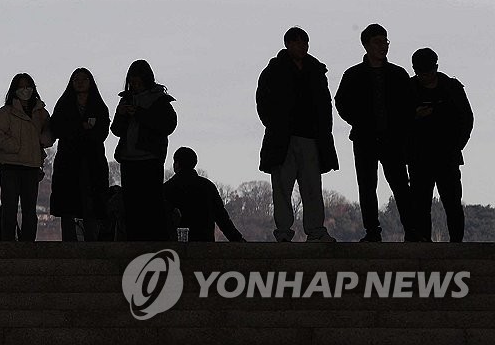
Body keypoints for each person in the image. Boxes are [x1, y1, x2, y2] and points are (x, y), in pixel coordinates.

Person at [256, 26, 339, 243]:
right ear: (288, 44)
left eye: (305, 43)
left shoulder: (313, 71)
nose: (303, 46)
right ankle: (287, 230)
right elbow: (263, 103)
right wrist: (276, 125)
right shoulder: (276, 71)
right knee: (284, 187)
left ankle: (313, 229)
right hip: (285, 137)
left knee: (310, 187)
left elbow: (325, 105)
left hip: (307, 137)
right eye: (299, 42)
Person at [335, 23, 415, 241]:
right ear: (366, 45)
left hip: (392, 140)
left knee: (400, 186)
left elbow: (408, 106)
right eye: (378, 42)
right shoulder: (353, 75)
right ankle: (372, 231)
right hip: (365, 139)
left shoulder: (398, 74)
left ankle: (412, 231)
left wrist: (399, 130)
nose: (383, 46)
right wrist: (361, 122)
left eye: (385, 41)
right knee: (368, 187)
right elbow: (341, 103)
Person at [407, 47, 474, 242]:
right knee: (421, 205)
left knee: (452, 204)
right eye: (420, 72)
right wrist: (414, 116)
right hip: (419, 157)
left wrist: (456, 146)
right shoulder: (409, 89)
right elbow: (399, 120)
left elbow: (466, 119)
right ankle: (424, 244)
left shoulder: (452, 88)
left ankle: (456, 244)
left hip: (447, 156)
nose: (424, 76)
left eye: (426, 72)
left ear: (435, 67)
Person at [111, 60, 177, 242]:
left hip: (150, 158)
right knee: (131, 205)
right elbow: (116, 129)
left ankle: (153, 240)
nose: (135, 85)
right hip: (128, 159)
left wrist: (139, 113)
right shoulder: (125, 99)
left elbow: (168, 125)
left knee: (151, 203)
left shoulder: (160, 100)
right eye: (132, 82)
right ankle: (134, 240)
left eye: (138, 82)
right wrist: (122, 114)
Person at [0, 73, 53, 242]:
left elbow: (51, 131)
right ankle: (8, 242)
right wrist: (13, 146)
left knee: (29, 210)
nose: (25, 90)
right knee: (10, 208)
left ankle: (27, 243)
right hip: (10, 165)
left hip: (31, 166)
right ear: (15, 90)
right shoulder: (6, 112)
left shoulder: (41, 113)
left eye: (28, 86)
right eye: (21, 87)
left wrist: (45, 139)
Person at [49, 67, 111, 241]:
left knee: (91, 203)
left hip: (92, 160)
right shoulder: (64, 104)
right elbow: (56, 127)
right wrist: (80, 128)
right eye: (76, 79)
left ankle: (92, 240)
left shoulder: (98, 105)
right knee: (67, 205)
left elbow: (103, 131)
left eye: (84, 79)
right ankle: (69, 241)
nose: (80, 82)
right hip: (68, 161)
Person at [163, 147, 245, 242]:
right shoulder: (208, 187)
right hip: (205, 244)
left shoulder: (167, 189)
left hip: (175, 246)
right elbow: (222, 218)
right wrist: (238, 239)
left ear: (176, 164)